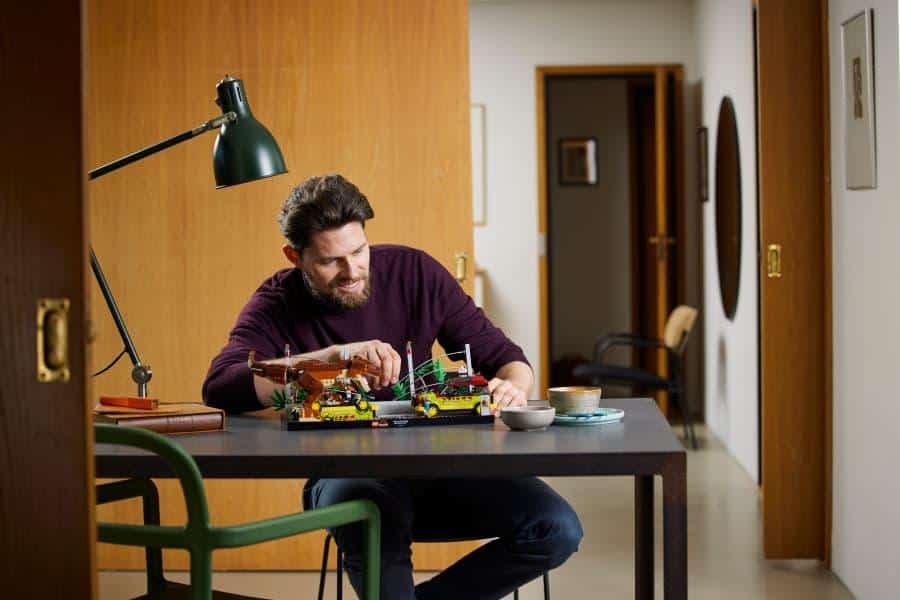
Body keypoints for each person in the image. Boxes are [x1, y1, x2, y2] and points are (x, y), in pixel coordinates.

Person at [203, 174, 582, 600]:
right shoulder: (276, 301)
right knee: (378, 516)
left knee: (557, 528)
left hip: (438, 467)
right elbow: (220, 386)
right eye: (330, 261)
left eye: (358, 251)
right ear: (295, 257)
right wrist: (330, 358)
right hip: (344, 477)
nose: (352, 272)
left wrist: (513, 386)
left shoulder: (415, 273)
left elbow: (508, 359)